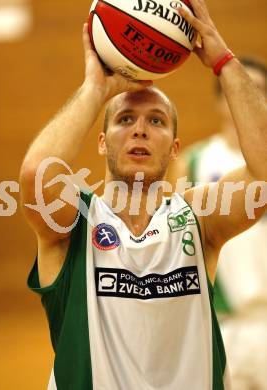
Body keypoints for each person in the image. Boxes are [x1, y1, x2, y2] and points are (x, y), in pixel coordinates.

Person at [19, 0, 267, 389]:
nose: (140, 130)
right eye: (124, 119)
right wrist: (95, 89)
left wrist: (225, 63)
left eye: (156, 121)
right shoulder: (75, 221)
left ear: (174, 147)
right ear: (101, 143)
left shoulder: (198, 216)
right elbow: (37, 176)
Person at [169, 56, 267, 389]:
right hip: (224, 322)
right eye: (236, 90)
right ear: (220, 99)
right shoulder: (193, 161)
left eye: (258, 90)